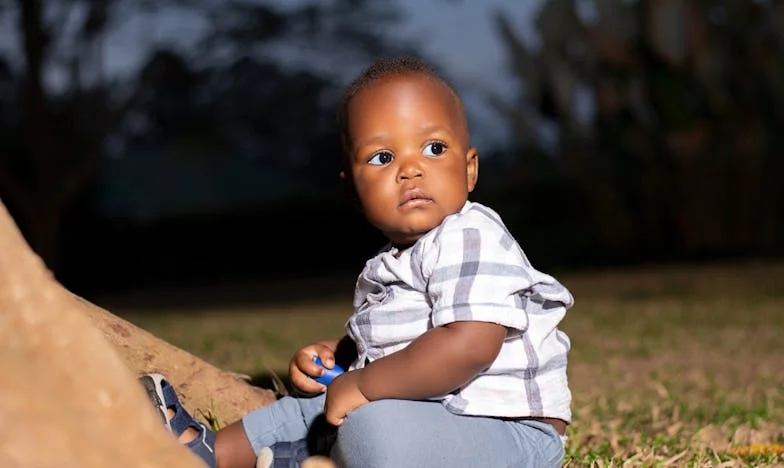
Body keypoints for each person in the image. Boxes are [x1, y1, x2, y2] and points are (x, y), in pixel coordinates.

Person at [140, 55, 574, 468]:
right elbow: (405, 339)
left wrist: (364, 384)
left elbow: (470, 344)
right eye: (383, 157)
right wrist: (342, 356)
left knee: (373, 423)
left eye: (434, 148)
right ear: (353, 190)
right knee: (310, 406)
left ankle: (312, 458)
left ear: (470, 169)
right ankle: (206, 452)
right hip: (432, 415)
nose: (410, 169)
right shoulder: (393, 260)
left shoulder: (471, 234)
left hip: (507, 434)